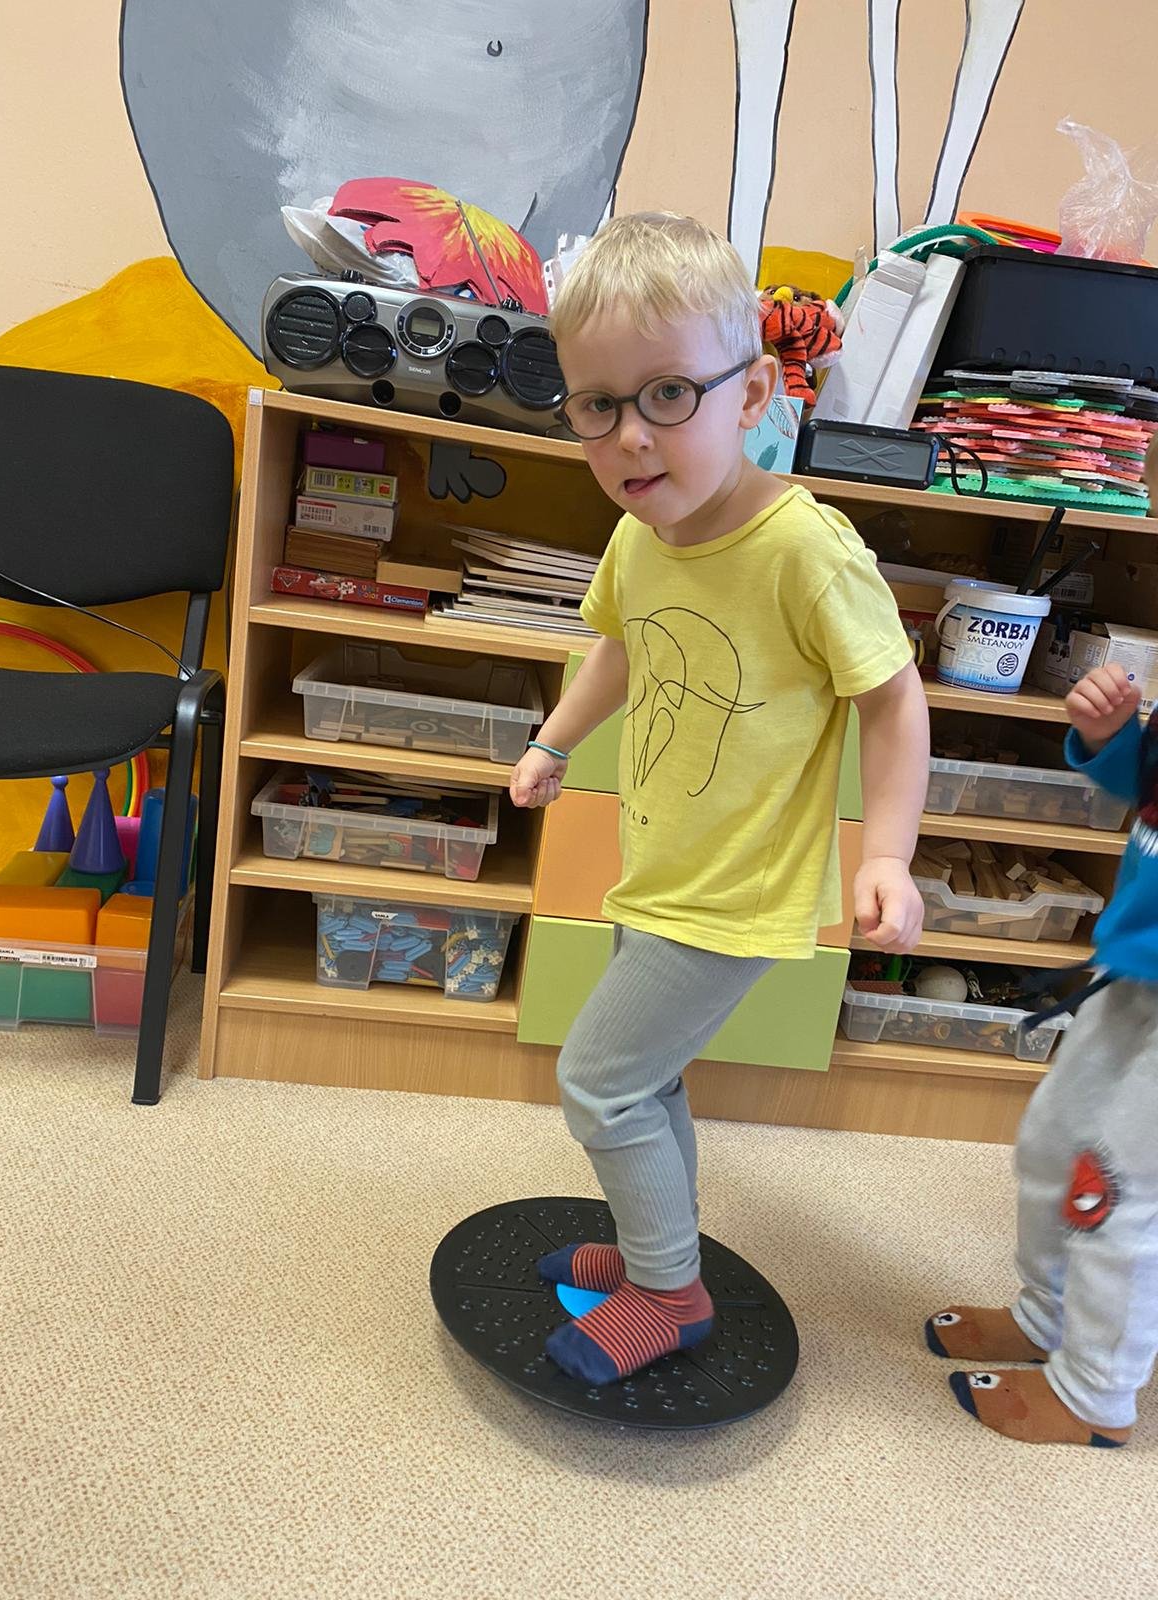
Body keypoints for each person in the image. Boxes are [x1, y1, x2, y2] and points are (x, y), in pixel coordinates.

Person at [509, 212, 929, 1385]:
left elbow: (895, 700)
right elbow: (621, 650)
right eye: (597, 405)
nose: (630, 437)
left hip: (734, 889)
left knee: (600, 1079)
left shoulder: (807, 551)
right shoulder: (641, 534)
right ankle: (661, 1242)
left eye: (666, 395)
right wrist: (554, 740)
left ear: (750, 394)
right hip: (660, 864)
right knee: (647, 1078)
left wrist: (887, 853)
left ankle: (669, 1292)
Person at [927, 658, 1158, 1448]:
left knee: (1118, 1192)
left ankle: (1097, 1394)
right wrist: (1112, 740)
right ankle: (1045, 1317)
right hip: (1134, 966)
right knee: (1055, 1144)